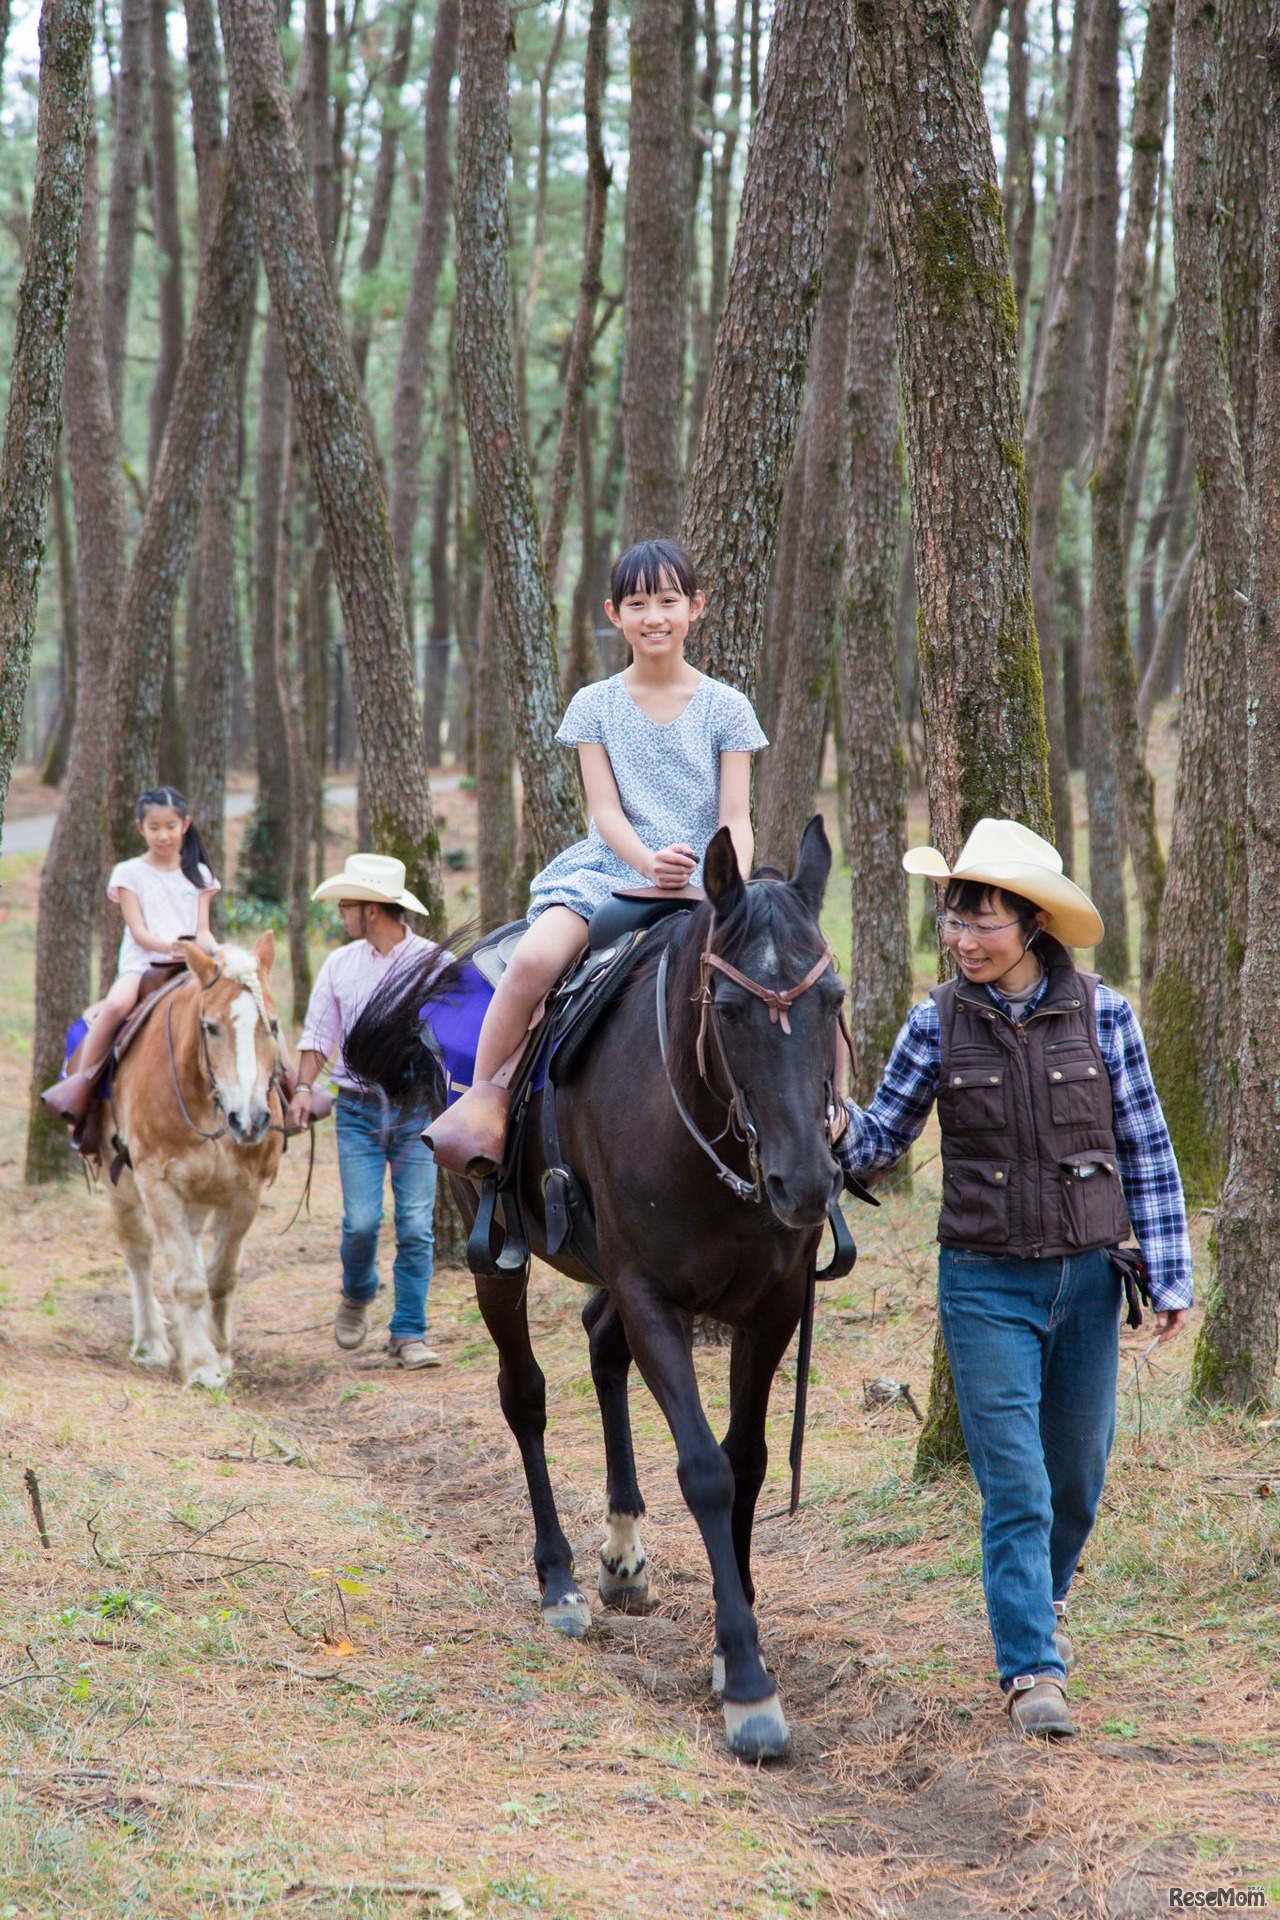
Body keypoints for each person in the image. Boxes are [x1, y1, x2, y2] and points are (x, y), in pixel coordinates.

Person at [834, 819, 1192, 1741]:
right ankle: (1032, 1666)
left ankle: (1040, 1601)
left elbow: (1146, 1149)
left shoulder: (1105, 1014)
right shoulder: (934, 1021)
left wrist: (1171, 1274)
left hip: (1088, 1280)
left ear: (1031, 923)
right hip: (985, 1284)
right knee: (1019, 1487)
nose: (961, 940)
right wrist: (828, 1123)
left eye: (982, 921)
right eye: (953, 920)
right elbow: (880, 1144)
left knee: (1075, 1482)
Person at [427, 538, 768, 1178]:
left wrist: (731, 888)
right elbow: (605, 811)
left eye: (668, 600)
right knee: (530, 959)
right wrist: (646, 863)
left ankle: (826, 1117)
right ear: (615, 614)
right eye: (638, 603)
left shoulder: (728, 707)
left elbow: (735, 818)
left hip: (710, 881)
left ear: (696, 607)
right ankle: (484, 1101)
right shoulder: (595, 704)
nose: (654, 616)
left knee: (797, 973)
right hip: (611, 873)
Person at [289, 853, 448, 1370]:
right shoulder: (340, 965)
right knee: (360, 1222)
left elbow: (459, 1040)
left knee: (416, 1223)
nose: (341, 915)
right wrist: (300, 1089)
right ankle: (357, 1292)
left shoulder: (434, 965)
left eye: (346, 906)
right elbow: (318, 1036)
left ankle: (409, 1333)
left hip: (415, 1113)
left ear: (373, 910)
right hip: (356, 1111)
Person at [43, 785, 221, 1126]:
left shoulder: (200, 874)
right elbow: (137, 930)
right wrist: (169, 946)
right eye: (154, 827)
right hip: (142, 966)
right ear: (140, 828)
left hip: (191, 965)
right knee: (113, 1007)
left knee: (242, 1000)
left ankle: (288, 1086)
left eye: (170, 826)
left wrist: (211, 949)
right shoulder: (129, 873)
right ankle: (78, 1084)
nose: (163, 835)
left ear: (185, 824)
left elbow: (203, 929)